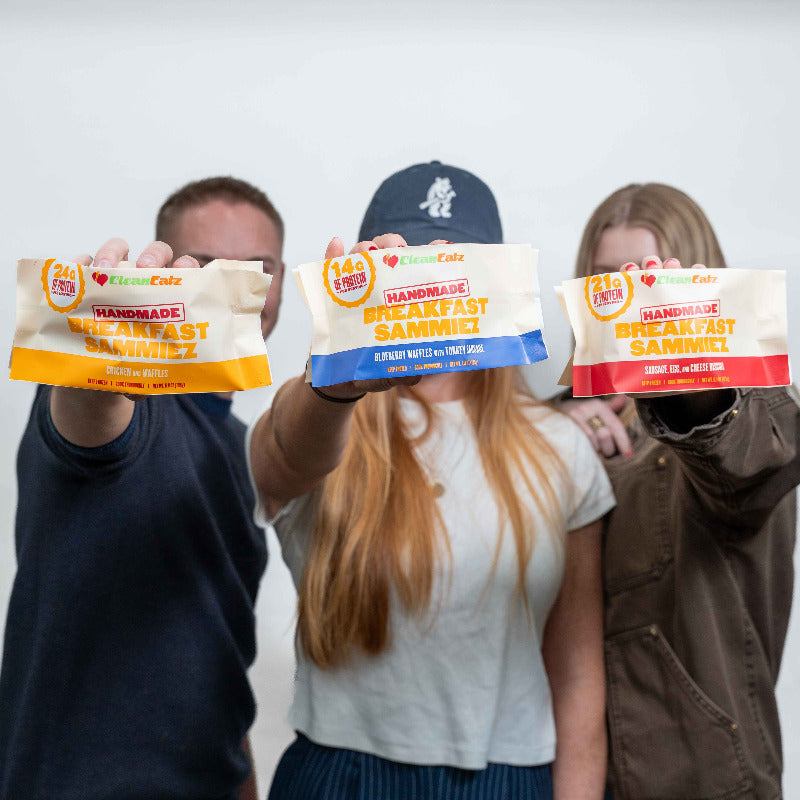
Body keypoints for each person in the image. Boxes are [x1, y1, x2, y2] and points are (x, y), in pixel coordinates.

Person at [249, 161, 616, 799]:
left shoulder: (561, 446)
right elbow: (284, 452)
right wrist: (335, 384)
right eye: (409, 264)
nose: (433, 286)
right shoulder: (319, 415)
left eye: (459, 266)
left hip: (510, 778)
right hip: (340, 776)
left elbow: (578, 674)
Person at [0, 177, 284, 800]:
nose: (236, 284)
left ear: (281, 285)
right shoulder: (129, 412)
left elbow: (217, 648)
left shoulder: (247, 448)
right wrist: (96, 352)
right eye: (207, 266)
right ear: (168, 267)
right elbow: (91, 412)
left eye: (258, 269)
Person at [559, 182, 800, 800]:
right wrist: (548, 431)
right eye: (609, 279)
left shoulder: (736, 420)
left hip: (701, 780)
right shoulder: (552, 423)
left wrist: (685, 381)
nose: (633, 297)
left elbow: (751, 462)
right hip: (563, 773)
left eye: (651, 278)